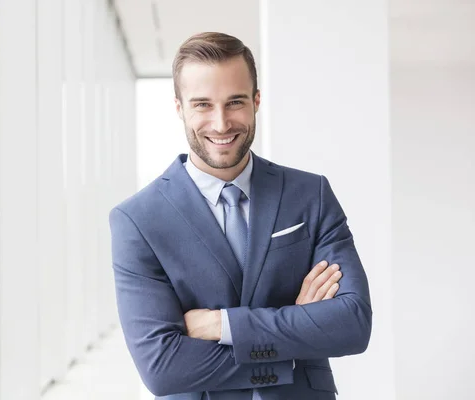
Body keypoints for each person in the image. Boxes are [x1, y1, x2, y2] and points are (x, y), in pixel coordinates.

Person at [109, 32, 372, 400]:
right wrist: (295, 336)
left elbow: (352, 324)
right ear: (179, 108)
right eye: (202, 104)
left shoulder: (310, 195)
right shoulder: (138, 220)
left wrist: (222, 324)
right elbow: (162, 368)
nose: (221, 124)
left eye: (235, 102)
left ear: (256, 101)